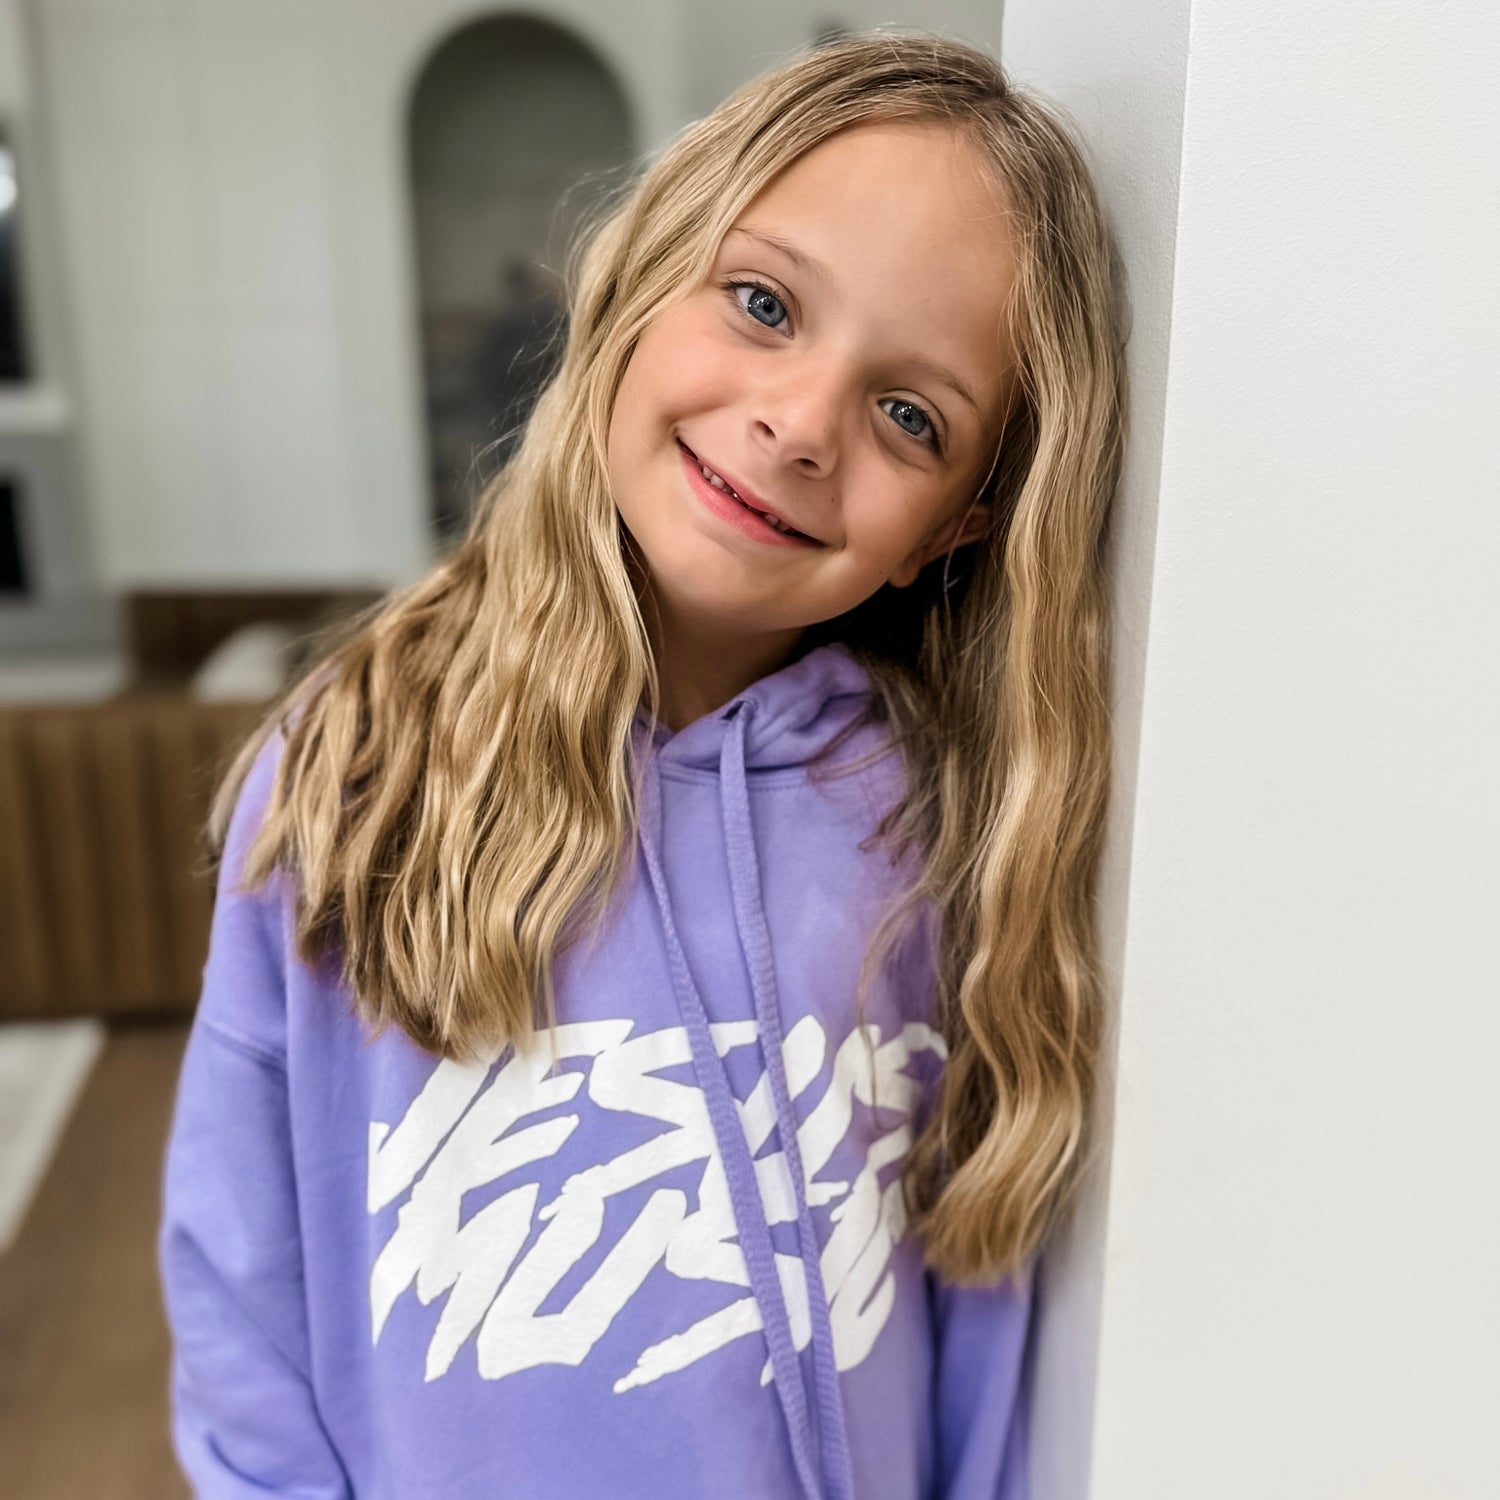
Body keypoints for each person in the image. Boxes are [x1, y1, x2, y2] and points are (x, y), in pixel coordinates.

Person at [158, 29, 1126, 1500]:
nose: (799, 425)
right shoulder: (356, 764)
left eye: (909, 415)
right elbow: (242, 1282)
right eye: (763, 303)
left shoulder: (936, 824)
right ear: (638, 282)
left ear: (954, 528)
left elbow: (978, 1313)